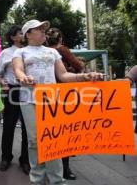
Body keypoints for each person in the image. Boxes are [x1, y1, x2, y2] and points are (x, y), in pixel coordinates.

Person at [12, 19, 103, 185]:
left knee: (54, 141)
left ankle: (57, 180)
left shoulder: (53, 53)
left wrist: (84, 76)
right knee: (34, 141)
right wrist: (23, 77)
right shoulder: (20, 52)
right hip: (29, 100)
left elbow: (63, 75)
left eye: (43, 28)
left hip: (53, 100)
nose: (43, 31)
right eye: (38, 28)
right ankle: (37, 179)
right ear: (28, 34)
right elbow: (18, 69)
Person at [46, 27, 84, 180]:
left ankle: (57, 168)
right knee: (64, 133)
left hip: (49, 95)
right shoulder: (61, 49)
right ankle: (64, 169)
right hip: (63, 95)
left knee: (52, 133)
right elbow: (79, 66)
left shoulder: (48, 51)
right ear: (61, 39)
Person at [0, 25, 30, 175]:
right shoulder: (5, 53)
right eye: (21, 33)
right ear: (13, 37)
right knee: (8, 126)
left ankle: (25, 160)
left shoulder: (29, 51)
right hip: (12, 91)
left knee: (28, 126)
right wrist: (2, 83)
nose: (24, 35)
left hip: (28, 91)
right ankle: (6, 158)